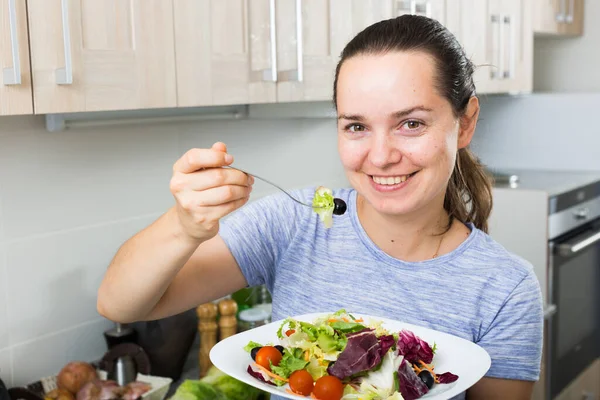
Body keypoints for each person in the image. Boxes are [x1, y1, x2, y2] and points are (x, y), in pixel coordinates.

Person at [98, 15, 543, 400]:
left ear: (465, 123)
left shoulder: (506, 288)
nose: (381, 155)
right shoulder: (298, 222)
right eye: (356, 126)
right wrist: (183, 225)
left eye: (411, 123)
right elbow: (121, 304)